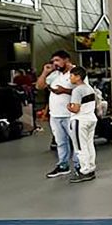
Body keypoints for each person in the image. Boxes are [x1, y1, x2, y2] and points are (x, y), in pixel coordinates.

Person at [37, 50, 81, 178]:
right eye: (53, 61)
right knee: (60, 142)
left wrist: (64, 90)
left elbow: (82, 90)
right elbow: (39, 86)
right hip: (55, 114)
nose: (54, 63)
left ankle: (79, 166)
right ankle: (63, 165)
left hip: (70, 114)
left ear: (66, 59)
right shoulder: (55, 74)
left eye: (57, 60)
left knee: (76, 142)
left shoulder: (76, 72)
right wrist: (45, 72)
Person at [66, 66, 97, 183]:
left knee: (80, 147)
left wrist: (69, 107)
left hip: (80, 120)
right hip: (91, 119)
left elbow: (76, 109)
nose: (70, 78)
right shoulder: (89, 88)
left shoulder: (77, 90)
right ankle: (91, 168)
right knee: (89, 145)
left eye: (71, 76)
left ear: (78, 77)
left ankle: (85, 171)